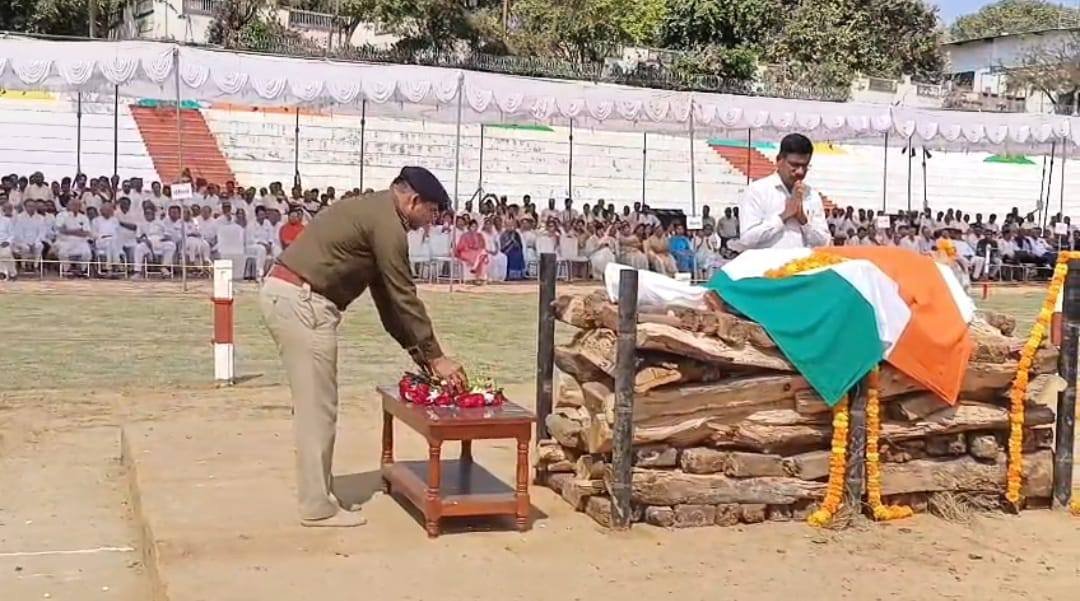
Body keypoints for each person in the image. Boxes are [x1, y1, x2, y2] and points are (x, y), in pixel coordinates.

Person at [260, 166, 466, 528]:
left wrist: (422, 357)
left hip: (294, 297)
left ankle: (320, 493)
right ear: (413, 200)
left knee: (316, 406)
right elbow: (404, 296)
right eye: (432, 212)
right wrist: (436, 357)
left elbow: (387, 302)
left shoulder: (376, 212)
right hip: (303, 302)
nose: (430, 222)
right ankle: (316, 506)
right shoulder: (387, 224)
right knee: (317, 409)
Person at [737, 133, 830, 250]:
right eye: (794, 165)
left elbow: (824, 243)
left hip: (802, 262)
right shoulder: (757, 191)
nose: (800, 172)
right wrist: (783, 217)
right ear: (779, 160)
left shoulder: (811, 195)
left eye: (805, 166)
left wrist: (804, 221)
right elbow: (747, 240)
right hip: (768, 262)